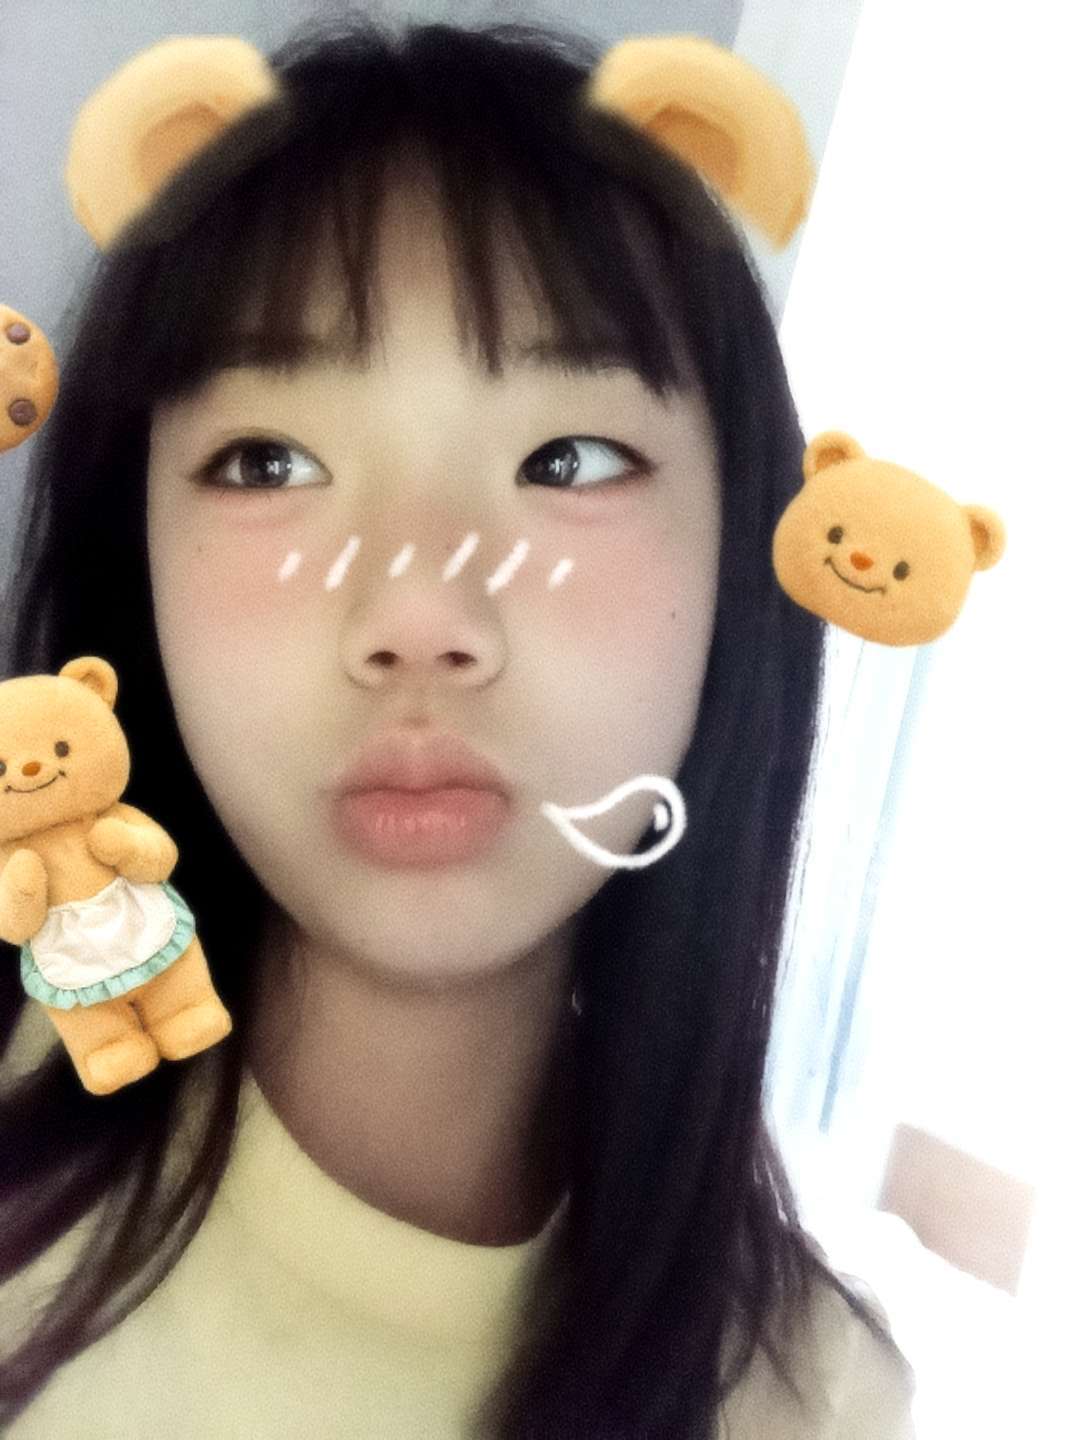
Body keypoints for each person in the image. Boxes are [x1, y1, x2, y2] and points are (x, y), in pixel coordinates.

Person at [0, 14, 916, 1438]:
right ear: (141, 574)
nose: (421, 612)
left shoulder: (818, 1397)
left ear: (748, 558)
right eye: (268, 461)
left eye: (570, 458)